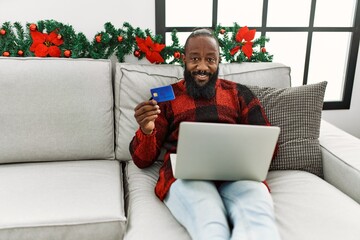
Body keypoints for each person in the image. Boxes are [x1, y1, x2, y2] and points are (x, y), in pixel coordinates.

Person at [129, 28, 281, 240]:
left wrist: (246, 154)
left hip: (238, 175)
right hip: (185, 176)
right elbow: (142, 160)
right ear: (183, 59)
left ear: (219, 61)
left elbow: (267, 146)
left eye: (210, 59)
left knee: (260, 223)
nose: (202, 67)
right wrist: (146, 130)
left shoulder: (239, 93)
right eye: (194, 59)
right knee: (211, 226)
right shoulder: (165, 98)